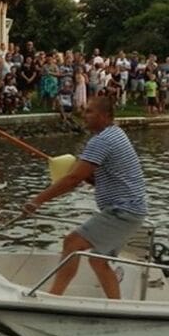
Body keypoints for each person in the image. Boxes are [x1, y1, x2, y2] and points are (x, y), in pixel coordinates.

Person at [23, 96, 148, 298]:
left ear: (105, 116)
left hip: (122, 212)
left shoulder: (103, 140)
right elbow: (100, 177)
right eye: (85, 110)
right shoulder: (116, 134)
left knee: (71, 243)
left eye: (89, 111)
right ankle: (117, 308)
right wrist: (82, 175)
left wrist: (37, 200)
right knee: (98, 261)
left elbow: (73, 179)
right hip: (131, 210)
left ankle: (53, 297)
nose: (84, 115)